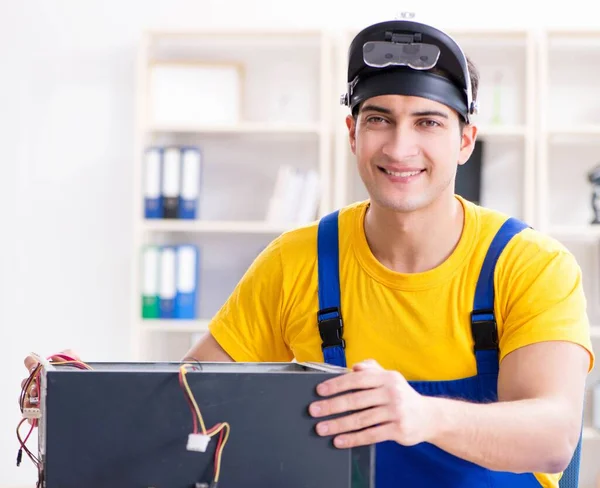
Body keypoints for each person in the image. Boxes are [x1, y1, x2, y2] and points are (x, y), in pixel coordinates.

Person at [23, 18, 594, 488]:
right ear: (351, 132)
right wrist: (80, 400)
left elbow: (553, 438)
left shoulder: (529, 266)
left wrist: (422, 414)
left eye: (428, 122)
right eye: (379, 119)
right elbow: (188, 409)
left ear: (465, 139)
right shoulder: (297, 263)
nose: (400, 147)